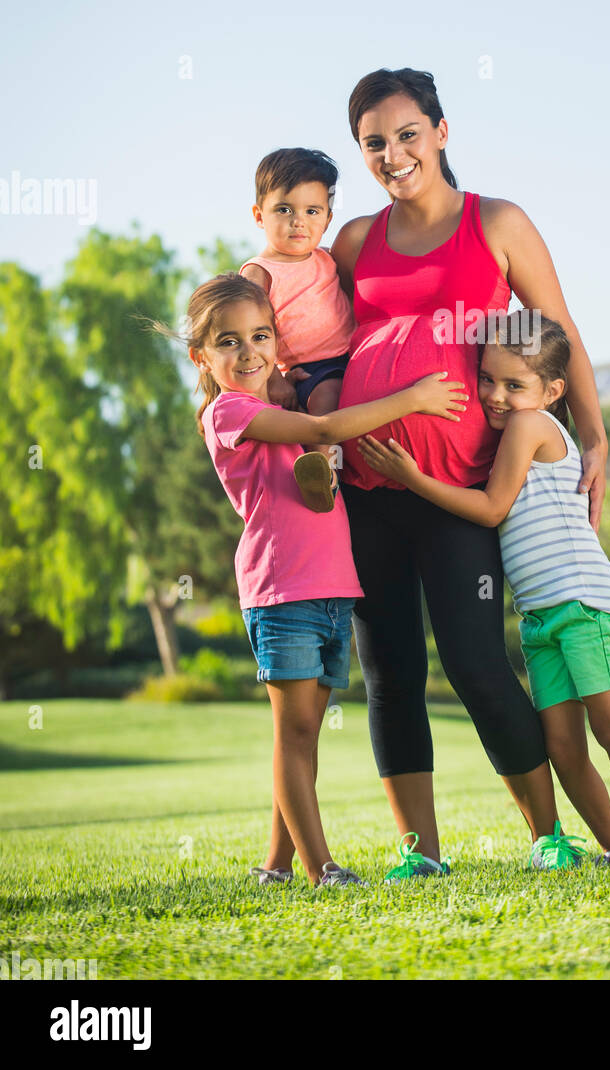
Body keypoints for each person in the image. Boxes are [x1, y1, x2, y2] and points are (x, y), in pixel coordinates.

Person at [329, 67, 610, 877]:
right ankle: (420, 854)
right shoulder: (354, 242)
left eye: (407, 134)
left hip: (463, 492)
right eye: (374, 143)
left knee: (477, 660)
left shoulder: (497, 224)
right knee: (389, 672)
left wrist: (593, 438)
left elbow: (563, 335)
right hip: (368, 490)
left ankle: (547, 837)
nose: (393, 153)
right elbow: (313, 332)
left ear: (441, 133)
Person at [154, 272, 467, 889]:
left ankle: (275, 864)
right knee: (294, 733)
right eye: (227, 342)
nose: (246, 353)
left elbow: (306, 411)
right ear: (201, 357)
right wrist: (412, 399)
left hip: (331, 588)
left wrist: (291, 382)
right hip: (282, 589)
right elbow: (326, 431)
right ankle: (321, 868)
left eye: (260, 336)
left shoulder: (272, 402)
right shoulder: (229, 412)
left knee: (304, 736)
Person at [358, 313, 610, 865]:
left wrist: (413, 478)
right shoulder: (513, 428)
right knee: (563, 749)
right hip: (541, 618)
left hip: (584, 604)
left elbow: (492, 509)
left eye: (514, 385)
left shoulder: (530, 426)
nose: (495, 395)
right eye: (487, 379)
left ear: (552, 391)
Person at [240, 147, 356, 514]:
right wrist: (274, 378)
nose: (298, 222)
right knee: (325, 404)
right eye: (284, 210)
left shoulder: (326, 257)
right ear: (259, 215)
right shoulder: (259, 272)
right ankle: (324, 477)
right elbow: (252, 335)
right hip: (314, 369)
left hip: (353, 355)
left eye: (312, 211)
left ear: (328, 218)